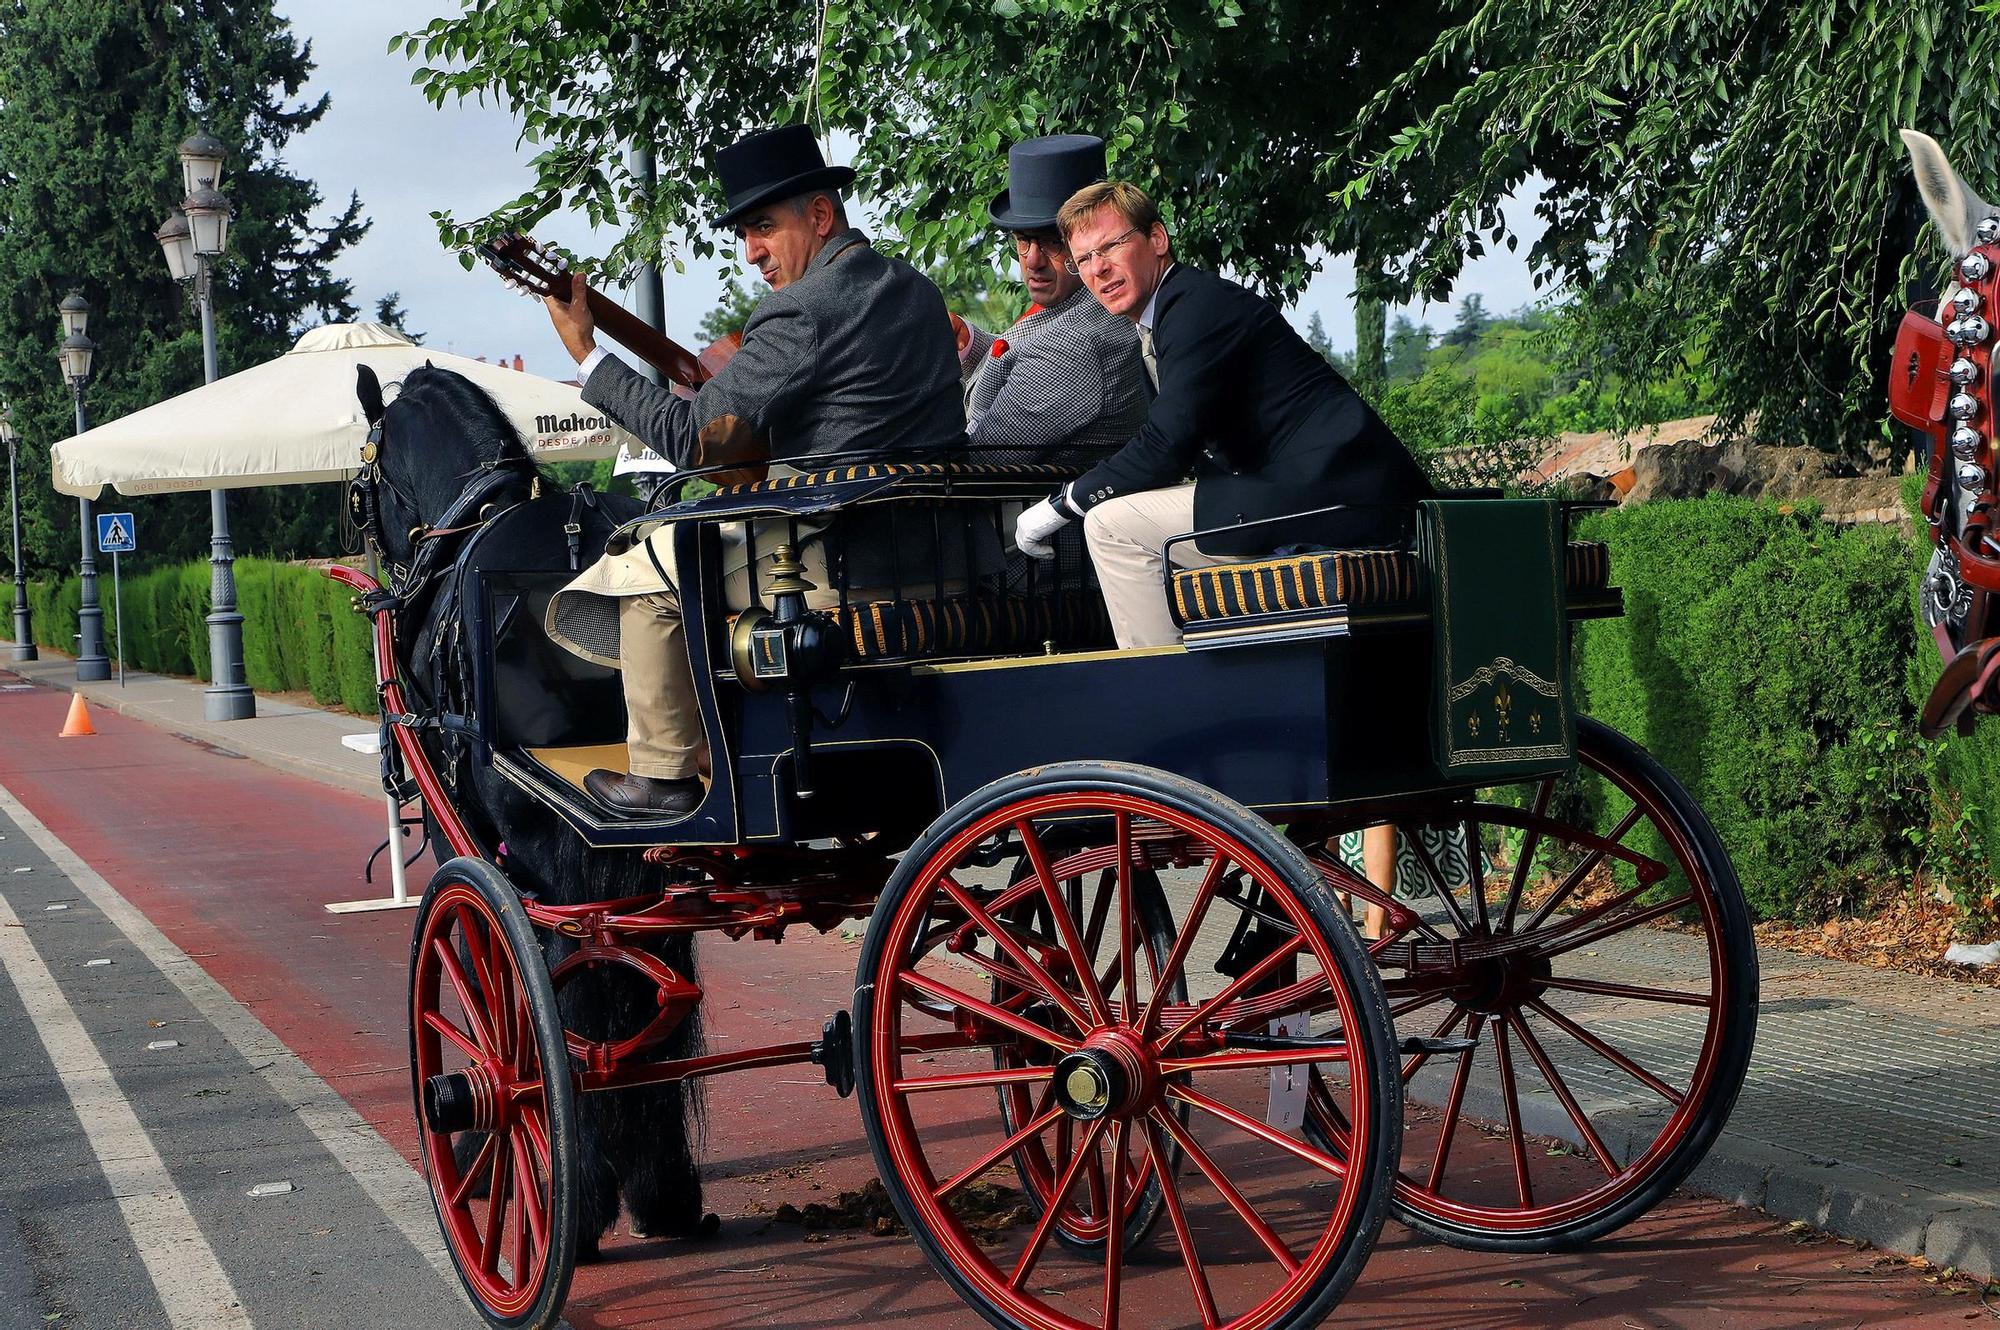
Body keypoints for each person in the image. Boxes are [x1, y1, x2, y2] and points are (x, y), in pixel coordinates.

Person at [542, 124, 964, 816]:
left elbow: (694, 437)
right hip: (946, 555)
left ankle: (665, 772)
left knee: (649, 562)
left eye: (763, 227)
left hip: (841, 558)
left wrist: (587, 354)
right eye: (744, 233)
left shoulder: (802, 307)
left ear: (820, 216)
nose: (752, 253)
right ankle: (720, 730)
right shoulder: (915, 290)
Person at [1014, 179, 1432, 649]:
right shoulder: (1164, 313)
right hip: (1295, 489)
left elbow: (1165, 446)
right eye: (1084, 259)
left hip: (1337, 493)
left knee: (1112, 527)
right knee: (1146, 530)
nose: (1099, 269)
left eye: (1111, 245)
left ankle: (1166, 701)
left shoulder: (1196, 307)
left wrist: (1060, 505)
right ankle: (1235, 685)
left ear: (1156, 239)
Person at [965, 134, 1148, 461]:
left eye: (1052, 242)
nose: (1032, 259)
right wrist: (971, 345)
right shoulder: (1090, 306)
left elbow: (982, 460)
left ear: (1088, 242)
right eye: (1023, 240)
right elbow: (1026, 352)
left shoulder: (1076, 343)